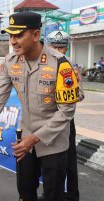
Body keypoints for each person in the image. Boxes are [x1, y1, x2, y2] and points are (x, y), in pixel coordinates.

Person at [0, 11, 80, 201]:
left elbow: (66, 112)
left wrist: (34, 139)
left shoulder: (60, 64)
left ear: (36, 35)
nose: (13, 41)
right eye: (10, 35)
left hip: (53, 143)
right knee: (25, 193)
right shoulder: (10, 61)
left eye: (19, 35)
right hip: (25, 144)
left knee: (54, 196)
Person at [46, 30, 83, 201]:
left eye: (62, 47)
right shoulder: (43, 64)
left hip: (65, 119)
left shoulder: (70, 67)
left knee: (67, 158)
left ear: (66, 49)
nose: (59, 50)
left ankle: (70, 195)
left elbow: (80, 95)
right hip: (45, 117)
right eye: (55, 47)